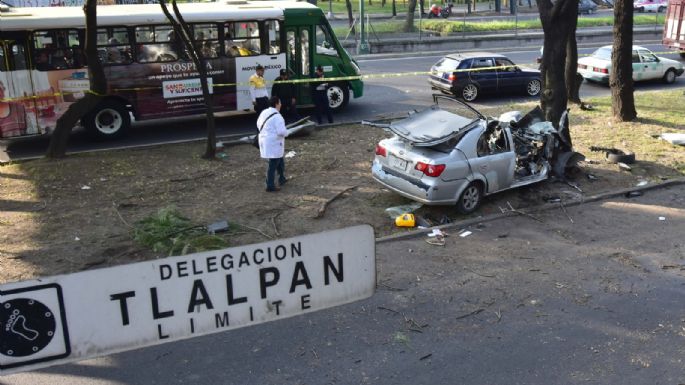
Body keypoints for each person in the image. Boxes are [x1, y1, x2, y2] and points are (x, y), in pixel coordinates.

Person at [257, 96, 288, 192]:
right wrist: (288, 132)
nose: (281, 104)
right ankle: (269, 185)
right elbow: (281, 132)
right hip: (273, 142)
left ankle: (282, 178)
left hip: (264, 139)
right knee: (273, 163)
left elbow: (258, 124)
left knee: (279, 159)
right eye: (280, 102)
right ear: (277, 104)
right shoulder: (278, 117)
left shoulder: (264, 112)